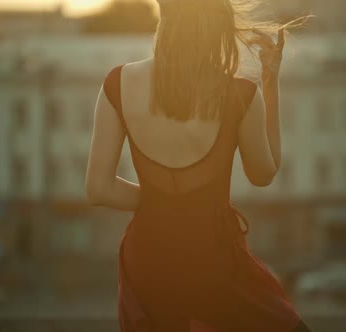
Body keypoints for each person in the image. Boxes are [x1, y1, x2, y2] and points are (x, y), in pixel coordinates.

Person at [85, 0, 310, 331]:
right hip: (213, 259)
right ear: (217, 31)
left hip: (149, 260)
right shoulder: (241, 93)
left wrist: (163, 202)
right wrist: (270, 81)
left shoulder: (118, 83)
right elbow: (263, 174)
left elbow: (98, 189)